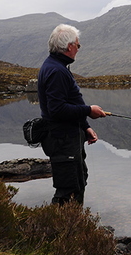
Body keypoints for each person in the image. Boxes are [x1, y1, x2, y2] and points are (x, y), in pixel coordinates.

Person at [37, 24, 106, 205]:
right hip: (62, 140)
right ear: (69, 47)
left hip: (69, 138)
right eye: (78, 45)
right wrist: (89, 110)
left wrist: (86, 127)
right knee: (68, 189)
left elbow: (71, 103)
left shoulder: (59, 66)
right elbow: (57, 109)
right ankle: (63, 231)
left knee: (78, 180)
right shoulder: (56, 71)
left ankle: (74, 229)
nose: (78, 49)